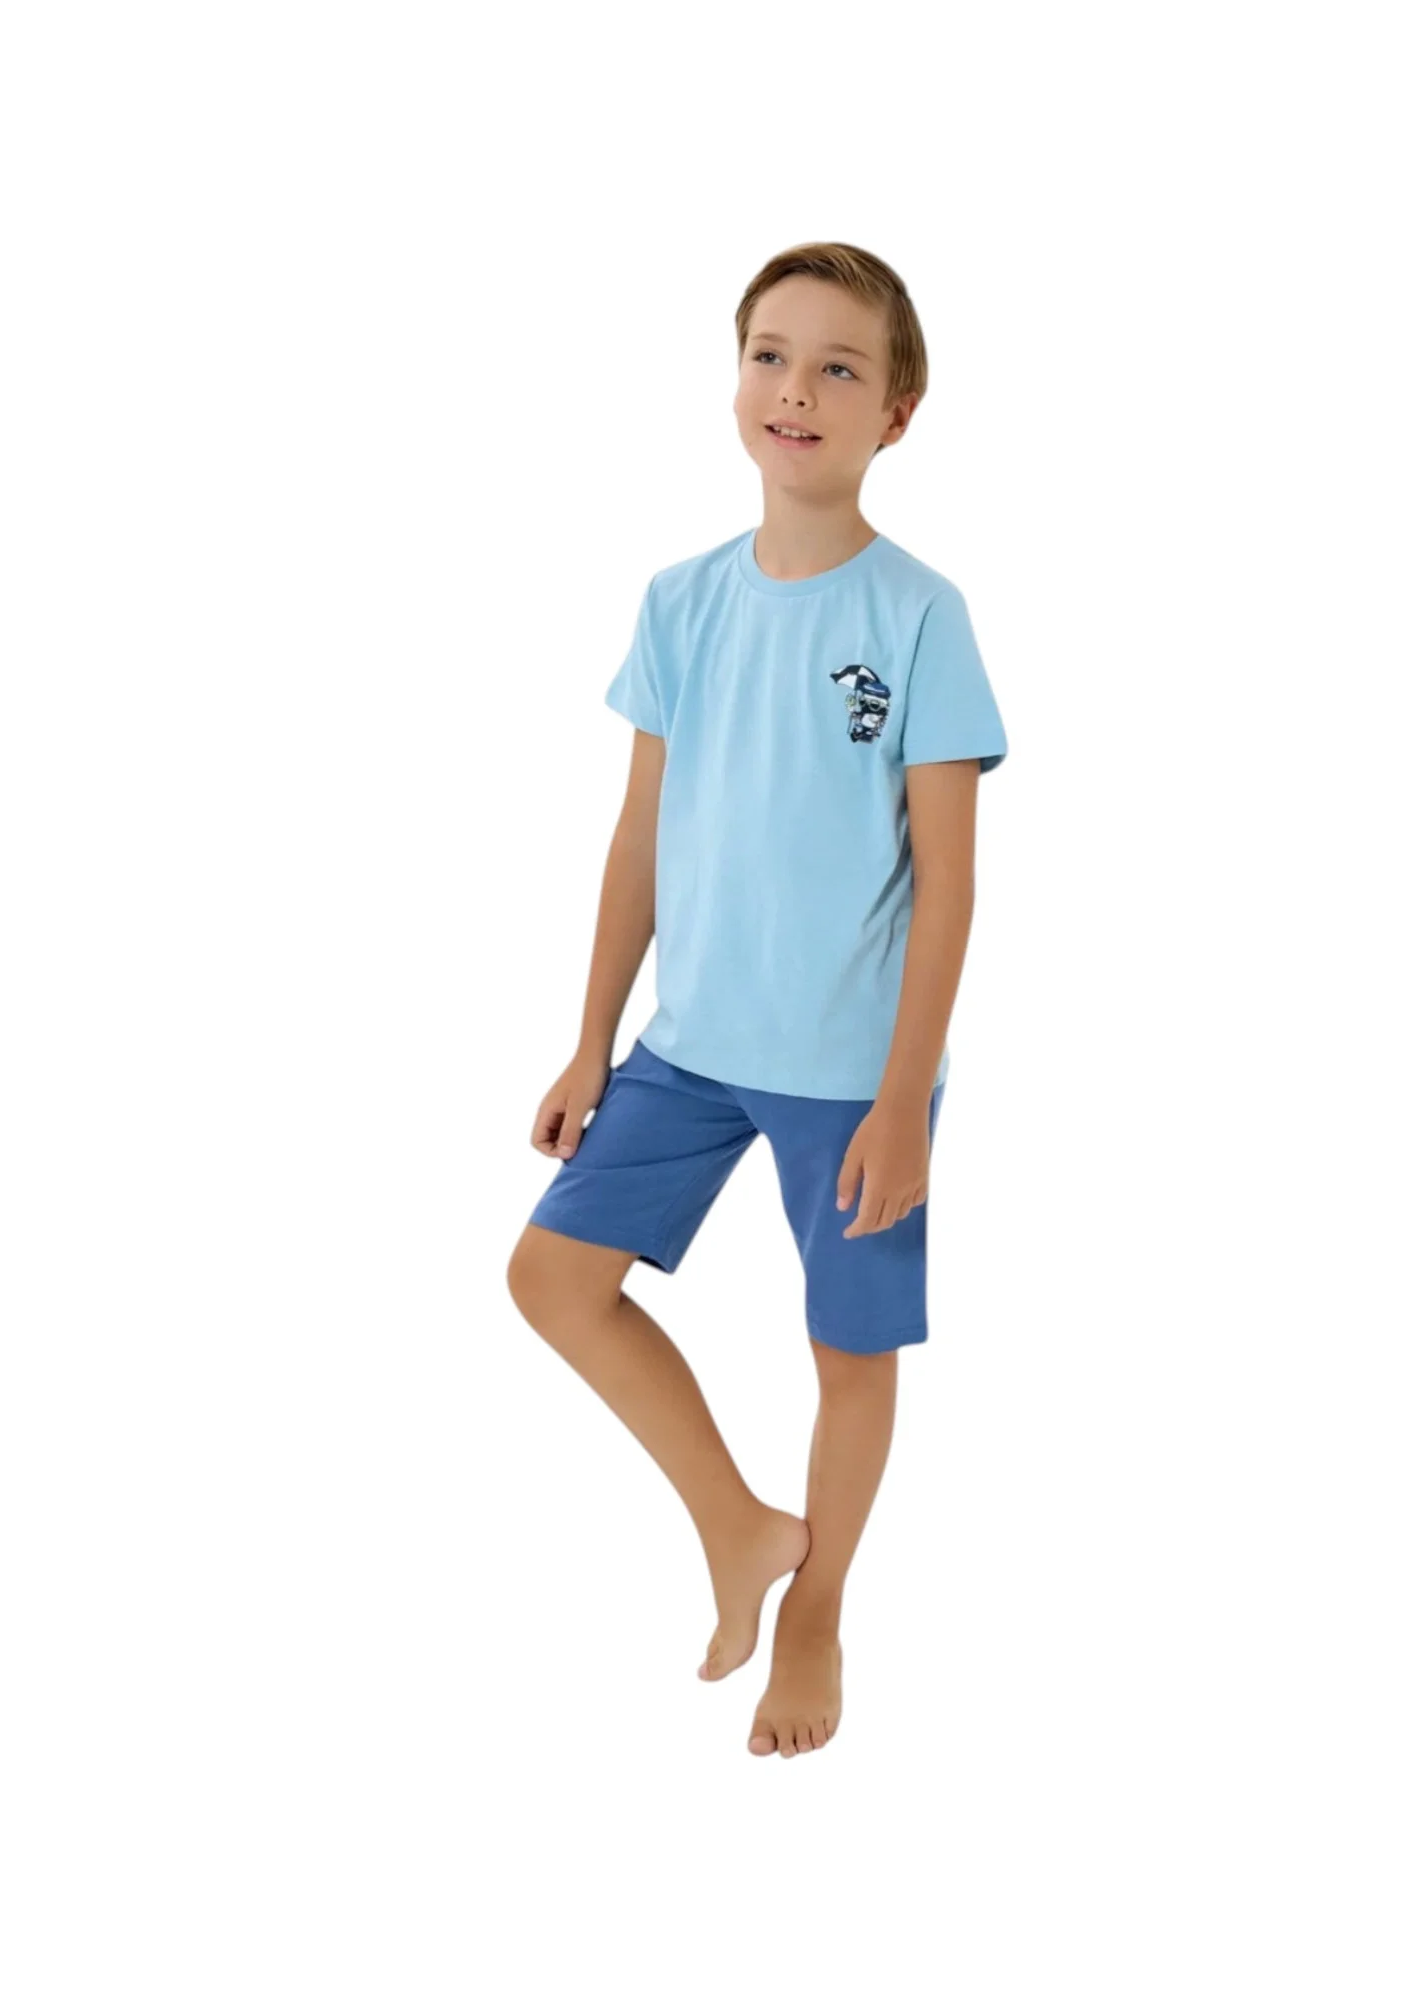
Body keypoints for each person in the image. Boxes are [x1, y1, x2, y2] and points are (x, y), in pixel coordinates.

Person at [506, 241, 1008, 1759]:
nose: (797, 389)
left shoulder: (920, 617)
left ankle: (819, 1609)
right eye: (770, 356)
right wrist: (593, 1041)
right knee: (552, 1279)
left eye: (839, 367)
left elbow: (947, 885)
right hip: (690, 1047)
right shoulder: (681, 603)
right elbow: (639, 836)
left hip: (852, 1070)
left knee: (849, 1353)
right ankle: (739, 1526)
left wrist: (905, 1102)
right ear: (737, 381)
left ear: (895, 414)